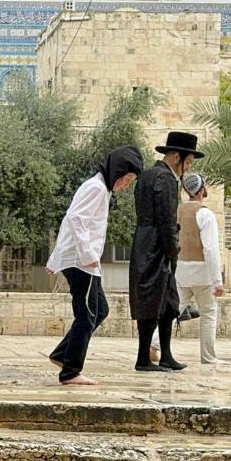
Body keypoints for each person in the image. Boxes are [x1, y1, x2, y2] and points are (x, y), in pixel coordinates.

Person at [46, 145, 144, 385]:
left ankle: (62, 355)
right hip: (82, 262)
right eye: (127, 179)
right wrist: (87, 253)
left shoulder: (101, 188)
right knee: (87, 315)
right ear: (118, 172)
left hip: (85, 261)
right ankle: (70, 371)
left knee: (100, 310)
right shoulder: (97, 188)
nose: (126, 185)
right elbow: (76, 219)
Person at [130, 131, 203, 373]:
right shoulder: (166, 180)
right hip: (156, 247)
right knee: (153, 300)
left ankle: (166, 355)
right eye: (188, 162)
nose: (187, 168)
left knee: (168, 302)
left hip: (146, 242)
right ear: (175, 157)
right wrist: (173, 249)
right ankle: (143, 358)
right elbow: (166, 220)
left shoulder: (148, 176)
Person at [175, 173, 226, 364]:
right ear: (202, 189)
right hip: (202, 272)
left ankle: (154, 345)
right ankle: (208, 356)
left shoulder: (177, 211)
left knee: (174, 311)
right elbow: (211, 250)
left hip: (180, 269)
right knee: (208, 314)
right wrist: (217, 282)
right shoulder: (205, 214)